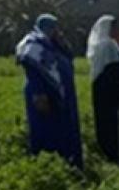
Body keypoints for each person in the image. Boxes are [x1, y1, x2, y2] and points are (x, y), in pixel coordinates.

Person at [16, 14, 83, 169]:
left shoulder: (54, 45)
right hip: (44, 95)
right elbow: (33, 69)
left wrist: (62, 44)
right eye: (52, 27)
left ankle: (71, 164)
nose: (56, 31)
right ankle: (47, 167)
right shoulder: (34, 44)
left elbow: (68, 58)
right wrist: (40, 95)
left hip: (62, 95)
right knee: (47, 131)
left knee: (66, 130)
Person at [87, 15, 119, 162]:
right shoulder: (107, 46)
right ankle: (112, 152)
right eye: (115, 27)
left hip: (110, 88)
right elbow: (112, 70)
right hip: (108, 90)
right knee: (109, 122)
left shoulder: (113, 46)